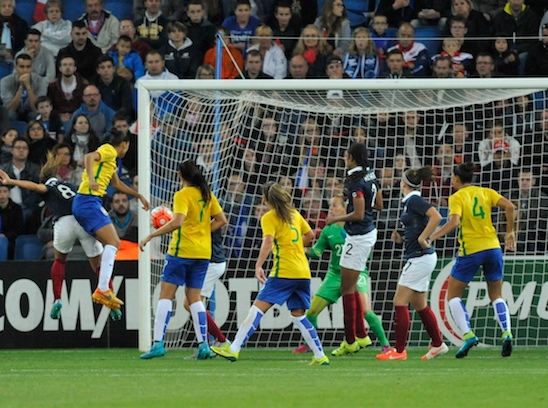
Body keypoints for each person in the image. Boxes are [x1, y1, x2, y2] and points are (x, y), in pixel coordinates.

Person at [212, 182, 329, 366]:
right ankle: (320, 355)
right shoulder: (294, 214)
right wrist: (297, 247)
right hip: (303, 272)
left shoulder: (269, 217)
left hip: (284, 271)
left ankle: (233, 349)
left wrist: (259, 265)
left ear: (265, 200)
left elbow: (267, 241)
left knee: (256, 309)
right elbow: (310, 235)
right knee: (298, 315)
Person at [0, 153, 120, 320]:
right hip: (83, 219)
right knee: (99, 265)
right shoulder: (71, 186)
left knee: (59, 261)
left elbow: (35, 187)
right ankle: (110, 296)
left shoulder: (48, 187)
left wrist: (12, 181)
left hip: (64, 223)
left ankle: (57, 299)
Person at [139, 159, 227, 360]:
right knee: (195, 299)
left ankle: (158, 344)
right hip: (203, 253)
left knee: (165, 295)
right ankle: (203, 345)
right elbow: (222, 220)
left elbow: (177, 222)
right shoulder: (207, 194)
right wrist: (202, 231)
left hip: (181, 251)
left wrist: (152, 235)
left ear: (180, 174)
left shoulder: (182, 195)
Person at [429, 162, 516, 358]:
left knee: (452, 296)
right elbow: (510, 206)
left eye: (452, 178)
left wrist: (433, 236)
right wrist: (509, 232)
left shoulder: (457, 197)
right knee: (497, 295)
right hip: (493, 248)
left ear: (457, 180)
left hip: (471, 250)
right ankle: (507, 333)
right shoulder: (486, 192)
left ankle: (468, 335)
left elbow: (454, 222)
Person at [293, 195, 392, 355]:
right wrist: (301, 249)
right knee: (311, 312)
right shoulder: (329, 230)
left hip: (356, 272)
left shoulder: (357, 228)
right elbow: (317, 252)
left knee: (366, 310)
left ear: (346, 208)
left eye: (335, 205)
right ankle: (309, 344)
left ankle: (385, 345)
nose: (331, 209)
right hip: (335, 274)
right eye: (330, 205)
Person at [72, 129, 150, 312]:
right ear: (124, 144)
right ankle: (103, 288)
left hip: (87, 202)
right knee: (114, 242)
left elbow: (117, 184)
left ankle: (104, 287)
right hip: (88, 200)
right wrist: (91, 180)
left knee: (107, 245)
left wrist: (138, 195)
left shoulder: (112, 160)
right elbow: (90, 157)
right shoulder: (109, 150)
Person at [376, 167, 448, 361]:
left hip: (420, 257)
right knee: (419, 304)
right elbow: (418, 225)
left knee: (399, 301)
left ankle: (399, 351)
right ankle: (438, 344)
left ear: (403, 184)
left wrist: (426, 237)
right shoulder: (409, 202)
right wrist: (402, 239)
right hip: (420, 256)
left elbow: (437, 216)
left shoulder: (414, 200)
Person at [325, 142, 383, 355]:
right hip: (367, 233)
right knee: (348, 287)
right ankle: (361, 335)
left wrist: (335, 218)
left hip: (358, 236)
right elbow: (379, 205)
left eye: (345, 155)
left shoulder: (356, 182)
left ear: (351, 158)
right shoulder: (370, 175)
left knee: (347, 289)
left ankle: (351, 340)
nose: (343, 158)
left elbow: (358, 214)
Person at [0, 53, 48, 121]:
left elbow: (36, 109)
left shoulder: (40, 81)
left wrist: (28, 87)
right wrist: (21, 87)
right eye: (21, 67)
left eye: (28, 67)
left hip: (31, 112)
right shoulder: (5, 81)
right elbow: (10, 109)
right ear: (16, 67)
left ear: (32, 68)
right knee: (10, 115)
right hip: (15, 113)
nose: (25, 70)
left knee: (36, 115)